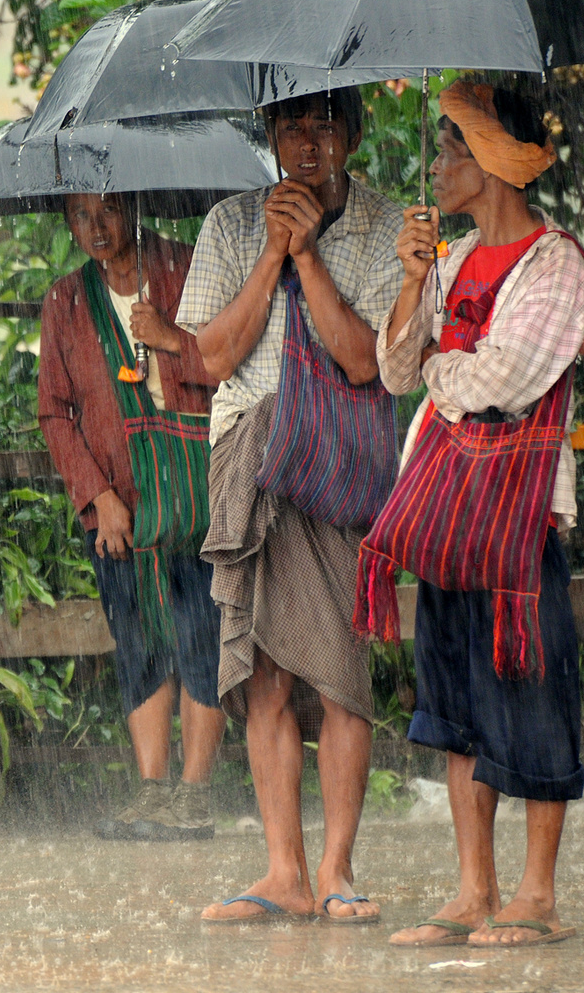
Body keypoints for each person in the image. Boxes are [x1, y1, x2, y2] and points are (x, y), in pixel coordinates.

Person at [176, 88, 403, 922]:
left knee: (341, 670)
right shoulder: (232, 225)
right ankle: (284, 872)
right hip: (251, 455)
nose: (306, 144)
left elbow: (362, 364)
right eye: (290, 126)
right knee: (265, 666)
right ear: (269, 134)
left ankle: (338, 869)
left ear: (352, 133)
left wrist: (310, 258)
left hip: (341, 462)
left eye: (324, 126)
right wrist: (272, 252)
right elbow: (211, 354)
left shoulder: (381, 228)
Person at [378, 83, 584, 948]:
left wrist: (440, 364)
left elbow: (506, 377)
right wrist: (414, 281)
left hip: (519, 509)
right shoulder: (454, 261)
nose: (438, 165)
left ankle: (535, 895)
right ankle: (474, 888)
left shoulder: (558, 262)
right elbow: (395, 368)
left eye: (452, 148)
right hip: (448, 508)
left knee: (529, 688)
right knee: (458, 693)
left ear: (493, 160)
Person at [38, 192, 226, 840]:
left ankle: (194, 794)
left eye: (108, 210)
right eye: (80, 215)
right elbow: (54, 412)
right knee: (140, 640)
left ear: (135, 208)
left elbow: (230, 363)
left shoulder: (188, 269)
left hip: (194, 491)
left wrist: (170, 340)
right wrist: (98, 497)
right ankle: (151, 790)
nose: (95, 227)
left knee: (203, 631)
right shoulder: (65, 301)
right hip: (118, 505)